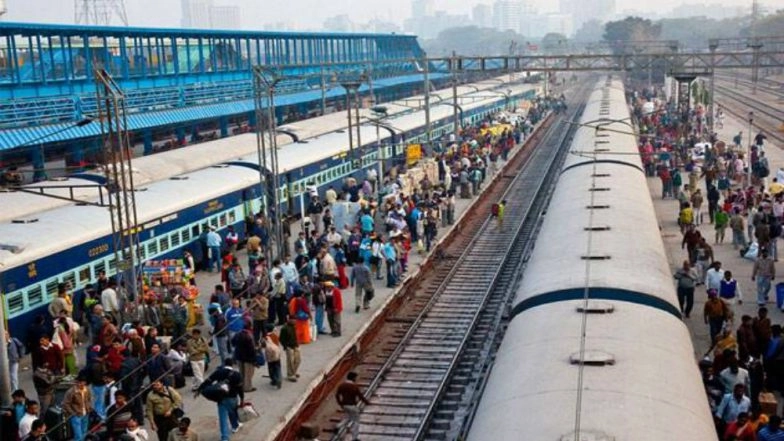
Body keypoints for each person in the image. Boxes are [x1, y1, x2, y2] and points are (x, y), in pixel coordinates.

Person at [201, 358, 244, 441]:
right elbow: (240, 389)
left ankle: (225, 438)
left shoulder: (219, 372)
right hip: (233, 398)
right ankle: (235, 426)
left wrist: (201, 389)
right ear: (232, 364)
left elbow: (208, 381)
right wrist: (242, 399)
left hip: (222, 399)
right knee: (232, 412)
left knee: (223, 419)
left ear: (224, 364)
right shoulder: (237, 374)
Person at [336, 372, 370, 441]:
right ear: (353, 378)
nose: (356, 379)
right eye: (355, 378)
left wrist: (340, 404)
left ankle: (338, 426)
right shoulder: (354, 386)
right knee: (356, 422)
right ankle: (354, 438)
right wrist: (367, 402)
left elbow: (337, 395)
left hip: (345, 405)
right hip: (352, 406)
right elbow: (360, 396)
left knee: (348, 417)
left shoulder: (341, 385)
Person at [62, 376, 93, 441]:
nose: (80, 384)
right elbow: (65, 403)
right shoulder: (71, 391)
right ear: (76, 383)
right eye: (79, 383)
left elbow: (90, 399)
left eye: (82, 383)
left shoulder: (87, 390)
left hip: (86, 414)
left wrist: (90, 407)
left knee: (84, 433)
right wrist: (72, 413)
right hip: (76, 416)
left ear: (85, 383)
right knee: (78, 435)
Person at [280, 318, 301, 382]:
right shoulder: (284, 328)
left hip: (296, 345)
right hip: (289, 347)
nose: (295, 321)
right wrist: (285, 347)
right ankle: (290, 375)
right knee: (290, 361)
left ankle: (294, 371)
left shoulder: (294, 326)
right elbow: (281, 339)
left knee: (298, 360)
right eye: (293, 320)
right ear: (289, 320)